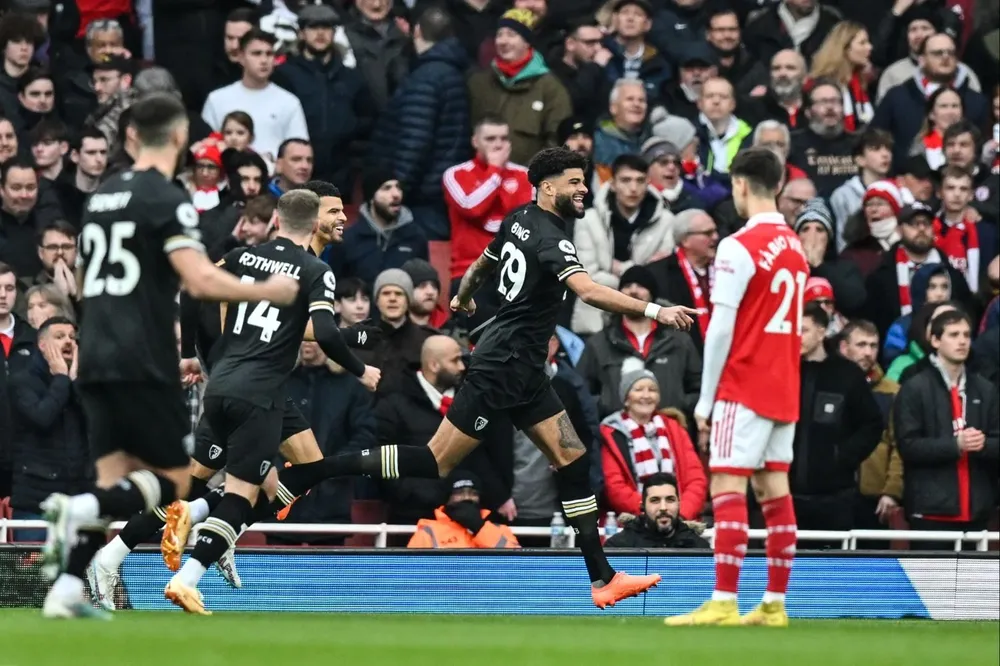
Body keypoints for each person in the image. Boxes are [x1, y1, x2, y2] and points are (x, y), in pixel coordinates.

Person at [274, 147, 698, 608]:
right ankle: (313, 472)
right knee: (436, 462)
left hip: (525, 370)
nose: (583, 190)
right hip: (502, 367)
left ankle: (602, 579)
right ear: (548, 186)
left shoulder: (518, 219)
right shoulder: (554, 239)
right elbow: (588, 291)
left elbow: (481, 263)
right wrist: (657, 309)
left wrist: (462, 300)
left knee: (573, 461)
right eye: (575, 183)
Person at [38, 93, 301, 620]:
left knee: (117, 475)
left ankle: (67, 587)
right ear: (180, 139)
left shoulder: (103, 195)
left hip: (98, 350)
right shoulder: (166, 198)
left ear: (132, 136)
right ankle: (79, 512)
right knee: (179, 480)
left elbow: (89, 283)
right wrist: (269, 292)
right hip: (140, 354)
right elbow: (199, 278)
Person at [87, 181, 378, 610]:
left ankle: (143, 545)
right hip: (255, 386)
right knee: (270, 481)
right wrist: (358, 349)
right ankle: (214, 528)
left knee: (247, 478)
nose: (341, 219)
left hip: (238, 382)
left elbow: (197, 292)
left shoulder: (257, 258)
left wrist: (196, 358)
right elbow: (312, 328)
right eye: (334, 212)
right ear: (313, 218)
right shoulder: (311, 270)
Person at [665, 147, 808, 627]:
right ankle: (774, 603)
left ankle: (724, 600)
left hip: (744, 384)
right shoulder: (795, 247)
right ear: (781, 184)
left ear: (741, 185)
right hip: (784, 387)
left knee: (728, 484)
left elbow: (721, 328)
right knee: (774, 489)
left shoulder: (737, 246)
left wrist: (706, 399)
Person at [895, 309, 999, 545]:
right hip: (930, 512)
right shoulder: (914, 387)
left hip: (977, 512)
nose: (962, 341)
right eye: (953, 335)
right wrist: (955, 445)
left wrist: (983, 445)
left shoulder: (986, 389)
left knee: (973, 583)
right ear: (934, 340)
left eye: (966, 335)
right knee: (930, 582)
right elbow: (908, 446)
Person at [406, 471, 519, 550]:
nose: (467, 498)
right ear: (448, 498)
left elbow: (518, 565)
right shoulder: (429, 533)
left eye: (472, 493)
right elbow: (411, 574)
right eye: (460, 493)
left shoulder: (500, 530)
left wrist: (480, 528)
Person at [604, 472, 710, 548]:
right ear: (642, 506)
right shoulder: (618, 547)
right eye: (655, 500)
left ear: (678, 504)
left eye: (670, 500)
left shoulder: (698, 547)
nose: (663, 507)